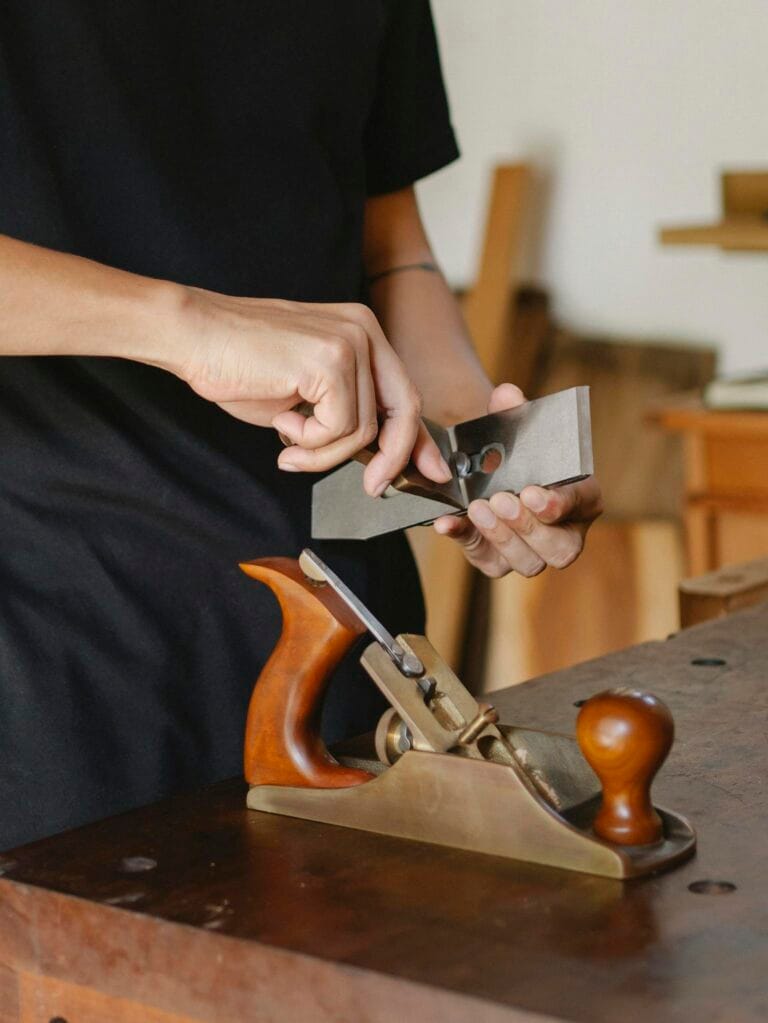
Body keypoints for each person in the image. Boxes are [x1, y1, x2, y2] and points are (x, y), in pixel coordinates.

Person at [0, 1, 602, 850]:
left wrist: (474, 446)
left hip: (343, 617)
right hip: (57, 645)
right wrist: (185, 324)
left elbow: (390, 243)